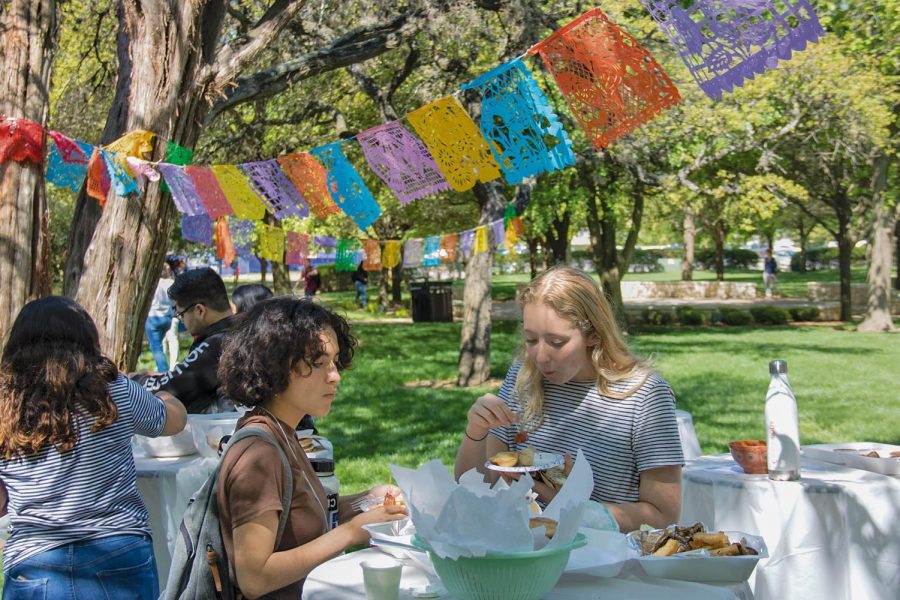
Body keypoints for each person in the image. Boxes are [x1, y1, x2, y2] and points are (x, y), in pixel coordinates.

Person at [454, 266, 683, 532]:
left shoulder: (645, 396)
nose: (540, 356)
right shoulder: (523, 377)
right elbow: (475, 485)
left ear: (594, 334)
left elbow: (663, 515)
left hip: (604, 560)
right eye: (531, 339)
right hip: (523, 550)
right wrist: (476, 432)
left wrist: (568, 504)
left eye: (557, 342)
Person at [216, 297, 407, 599]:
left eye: (335, 362)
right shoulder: (260, 454)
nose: (335, 376)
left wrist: (366, 503)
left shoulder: (283, 430)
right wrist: (352, 532)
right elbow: (254, 577)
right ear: (275, 367)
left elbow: (304, 518)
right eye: (319, 364)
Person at [0, 297, 186, 600]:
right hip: (118, 549)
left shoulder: (7, 404)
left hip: (34, 560)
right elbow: (172, 422)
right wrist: (165, 394)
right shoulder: (111, 390)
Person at [139, 268, 235, 413]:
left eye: (180, 314)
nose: (181, 319)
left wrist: (134, 381)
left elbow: (173, 387)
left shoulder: (216, 344)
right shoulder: (244, 329)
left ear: (200, 311)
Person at [145, 262, 175, 372]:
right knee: (159, 346)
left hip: (153, 318)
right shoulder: (172, 283)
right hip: (167, 318)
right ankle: (162, 366)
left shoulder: (153, 284)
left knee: (156, 347)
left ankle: (163, 371)